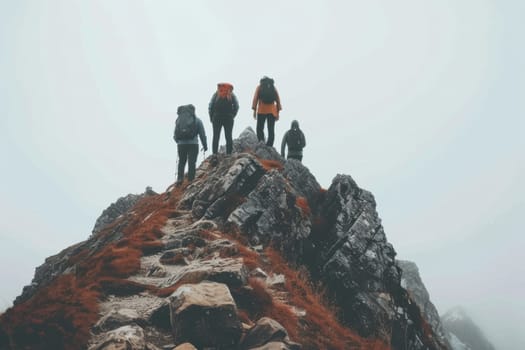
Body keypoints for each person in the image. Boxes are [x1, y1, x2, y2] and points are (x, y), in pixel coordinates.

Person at [173, 104, 207, 185]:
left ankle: (179, 179)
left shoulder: (178, 120)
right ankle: (190, 180)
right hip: (193, 144)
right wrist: (205, 145)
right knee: (192, 162)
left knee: (181, 162)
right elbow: (202, 134)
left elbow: (175, 135)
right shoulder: (198, 120)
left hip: (181, 145)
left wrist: (179, 142)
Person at [208, 83, 239, 155]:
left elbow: (210, 105)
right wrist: (232, 115)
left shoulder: (217, 93)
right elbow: (237, 106)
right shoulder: (231, 94)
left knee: (216, 136)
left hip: (217, 117)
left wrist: (211, 117)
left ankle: (214, 154)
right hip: (228, 117)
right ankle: (229, 154)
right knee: (228, 136)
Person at [252, 76, 282, 147]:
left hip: (261, 110)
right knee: (271, 129)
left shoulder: (259, 87)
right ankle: (269, 145)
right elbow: (278, 100)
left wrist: (254, 110)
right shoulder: (273, 87)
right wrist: (278, 113)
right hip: (272, 111)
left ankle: (261, 141)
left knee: (259, 128)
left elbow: (255, 98)